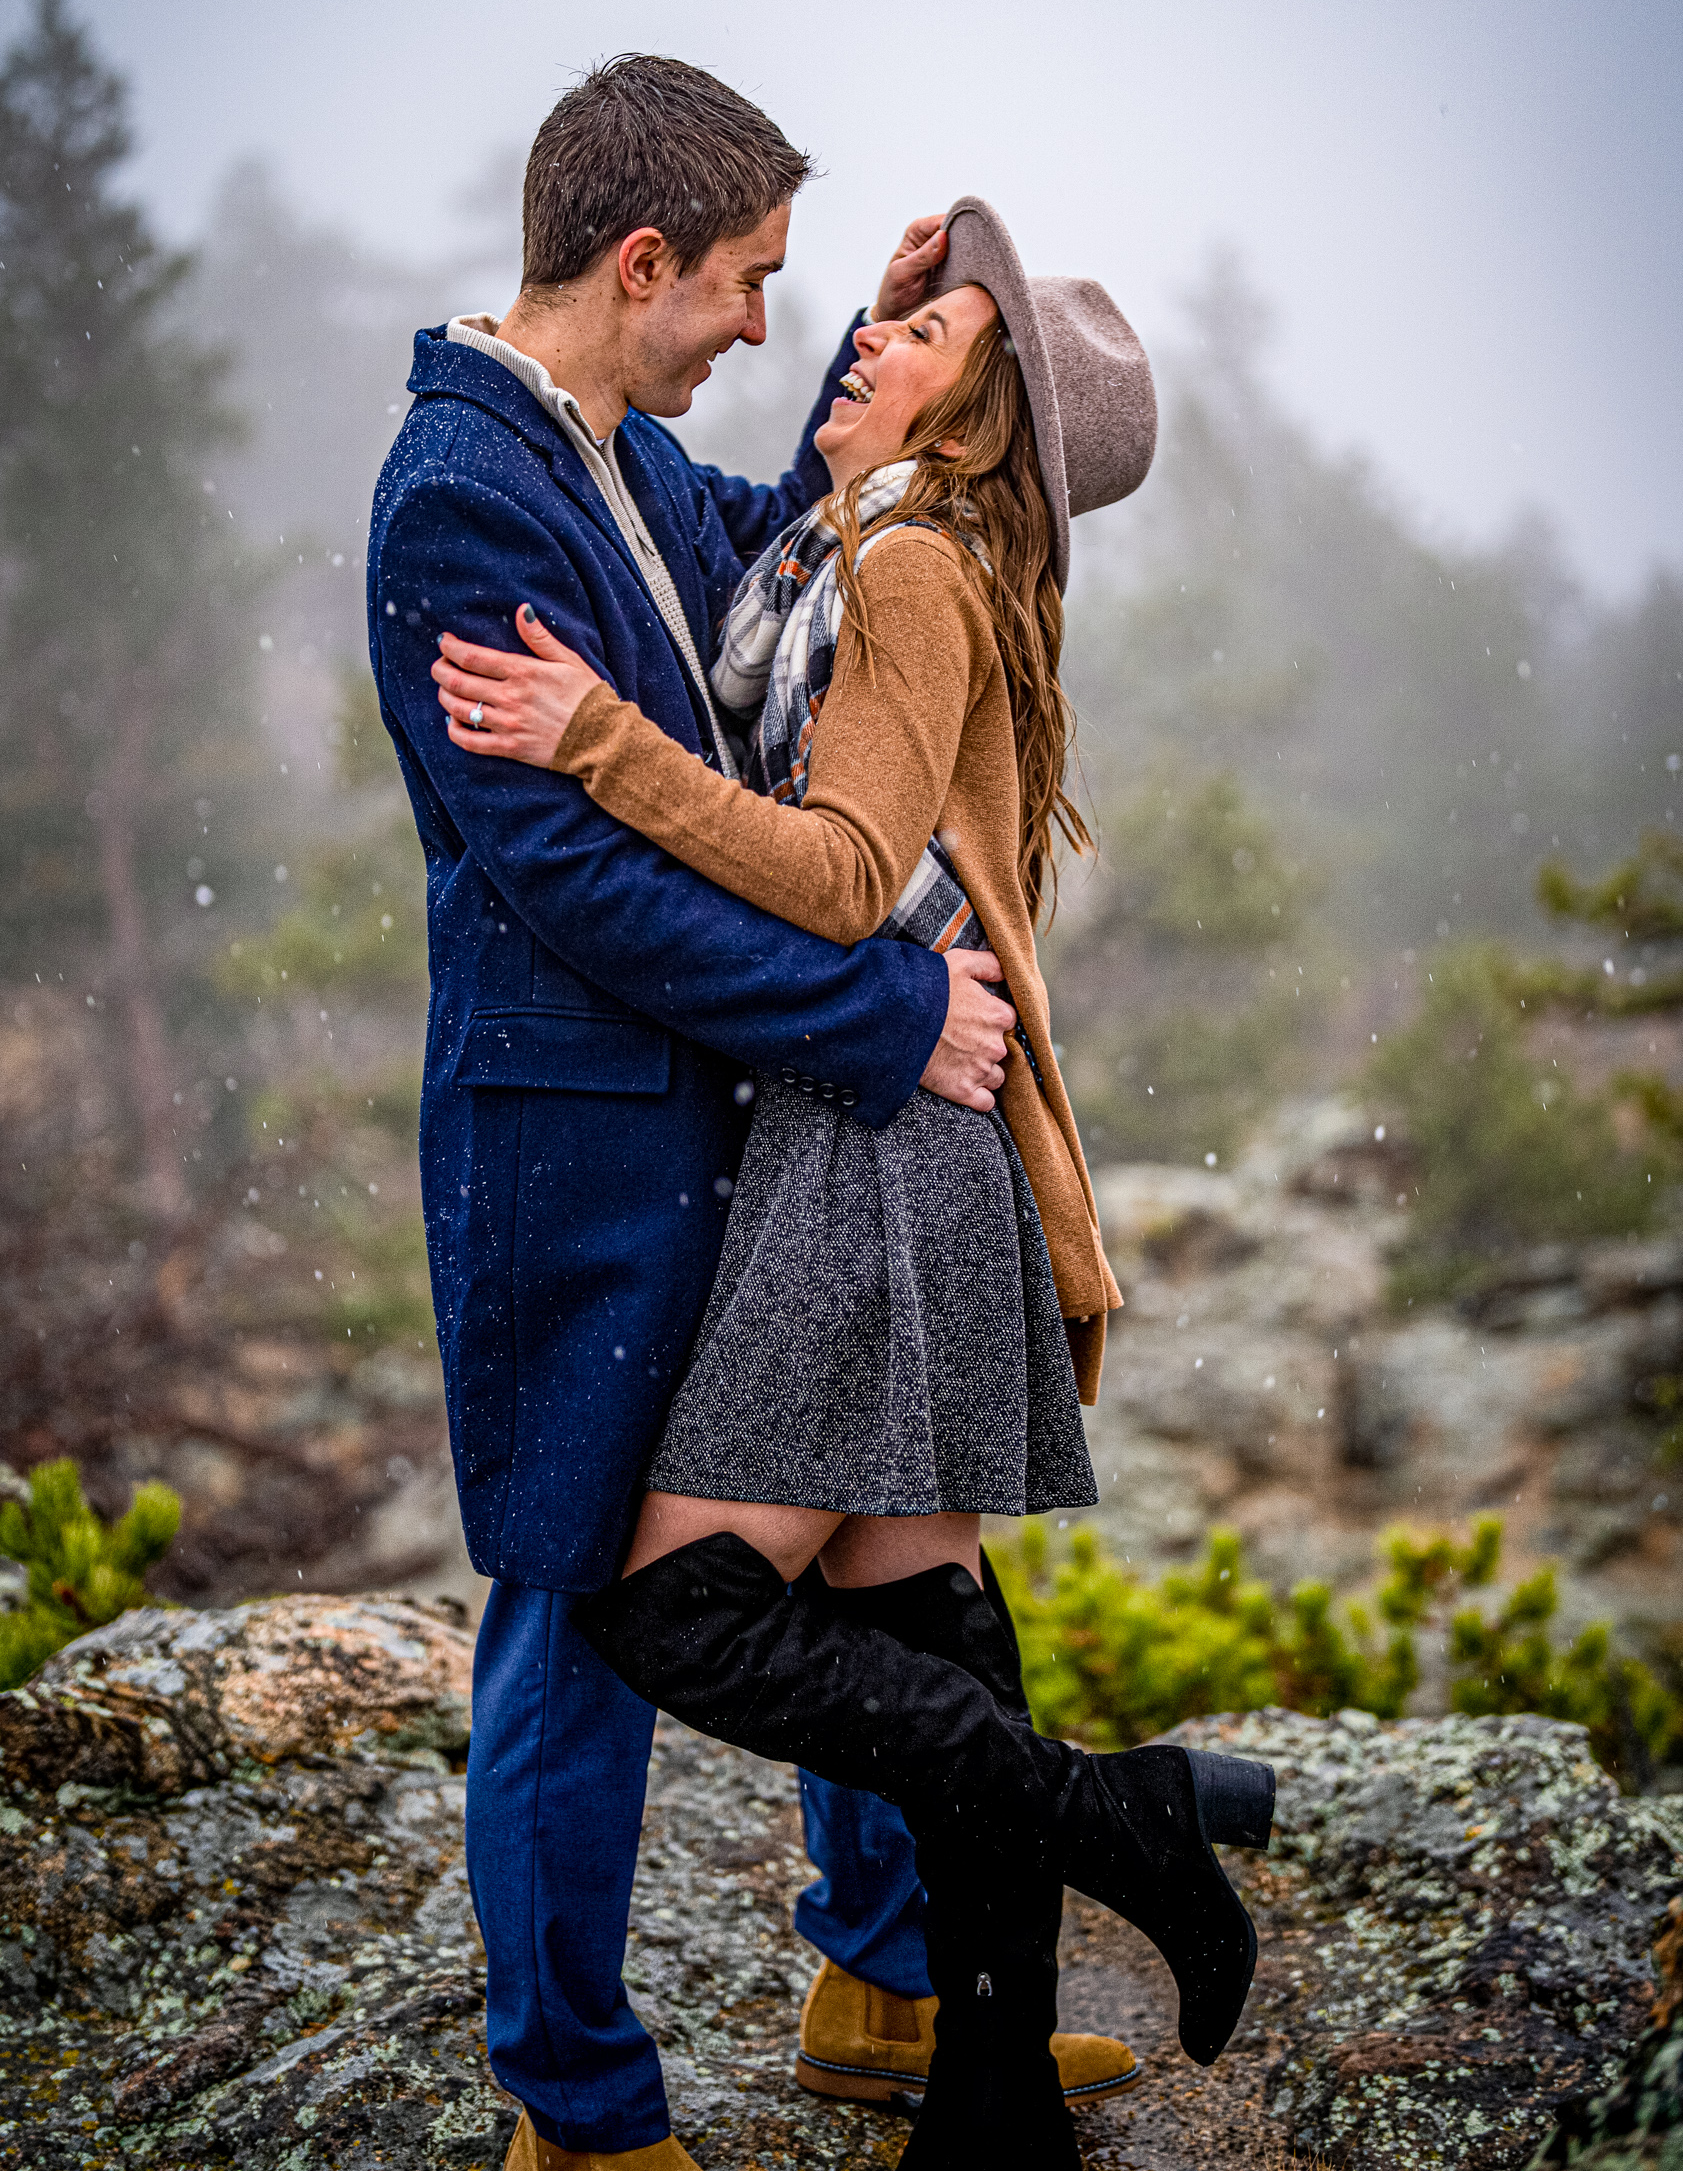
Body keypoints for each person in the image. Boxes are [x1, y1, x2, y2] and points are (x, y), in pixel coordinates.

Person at [433, 196, 1276, 2169]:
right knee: (918, 1617)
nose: (861, 341)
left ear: (969, 409)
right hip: (886, 1128)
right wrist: (906, 303)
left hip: (880, 1144)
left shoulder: (898, 571)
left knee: (675, 1610)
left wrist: (597, 739)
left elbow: (831, 871)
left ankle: (1114, 1819)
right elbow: (779, 433)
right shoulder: (864, 543)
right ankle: (983, 2091)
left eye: (916, 333)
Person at [368, 62, 1031, 2171]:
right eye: (750, 284)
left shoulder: (618, 450)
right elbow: (580, 882)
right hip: (572, 1151)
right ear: (637, 263)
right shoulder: (461, 493)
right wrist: (879, 1006)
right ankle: (573, 2108)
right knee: (574, 1609)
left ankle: (880, 1974)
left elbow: (769, 540)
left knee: (836, 1505)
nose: (766, 323)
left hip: (719, 1124)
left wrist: (898, 353)